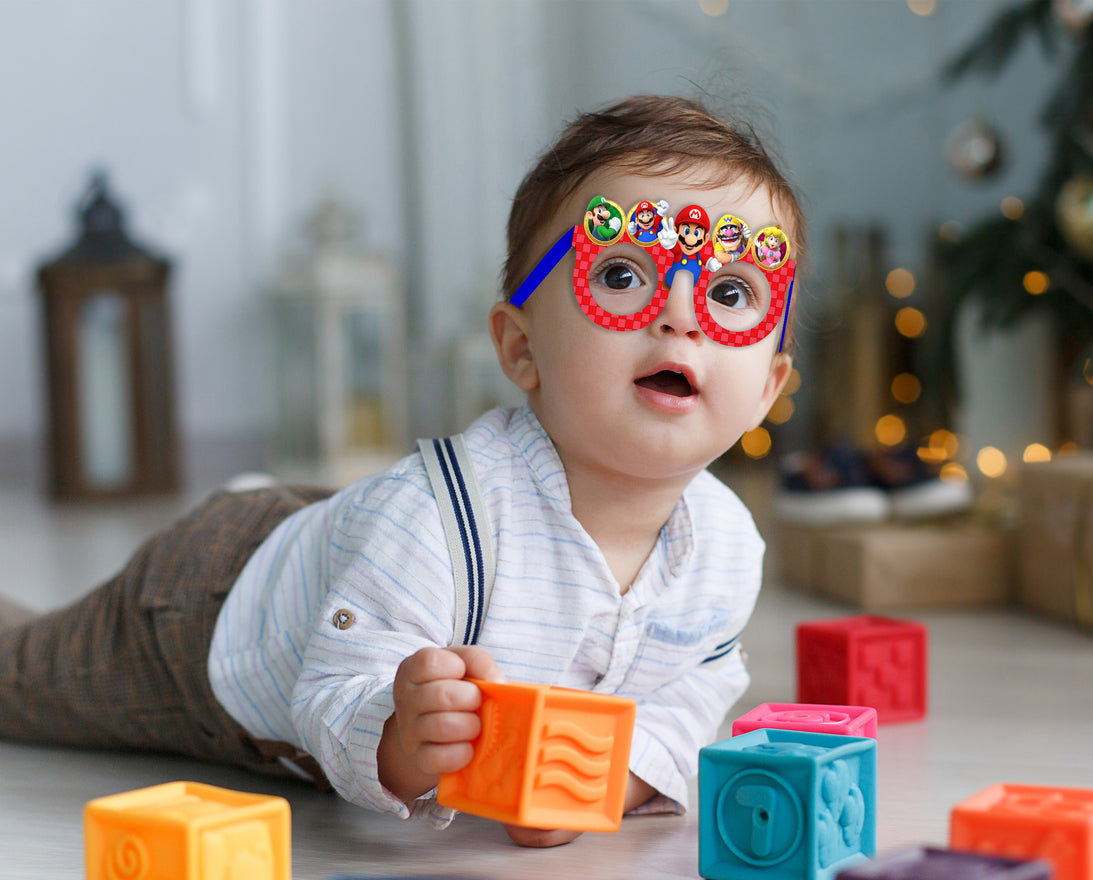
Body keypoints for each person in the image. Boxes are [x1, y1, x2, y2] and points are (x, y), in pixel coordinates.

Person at [0, 94, 804, 848]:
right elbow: (332, 687)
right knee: (24, 675)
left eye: (734, 290)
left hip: (351, 553)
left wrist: (603, 784)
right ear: (521, 347)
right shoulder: (442, 519)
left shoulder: (727, 549)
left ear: (768, 388)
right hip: (207, 616)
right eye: (622, 275)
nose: (681, 313)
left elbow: (690, 692)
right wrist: (396, 737)